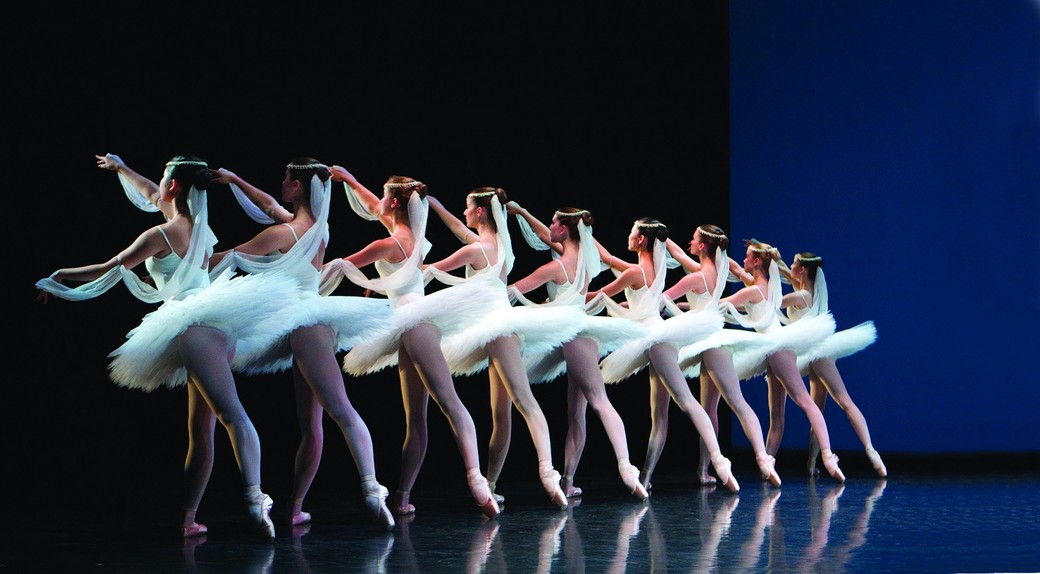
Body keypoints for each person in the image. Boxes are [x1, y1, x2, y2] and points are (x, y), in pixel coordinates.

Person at [36, 154, 296, 540]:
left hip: (195, 328)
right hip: (221, 325)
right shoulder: (200, 228)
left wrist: (59, 276)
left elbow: (109, 268)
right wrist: (121, 168)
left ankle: (256, 500)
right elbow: (151, 193)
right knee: (200, 429)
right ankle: (189, 518)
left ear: (173, 185)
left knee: (231, 416)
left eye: (163, 178)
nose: (157, 186)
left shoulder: (160, 234)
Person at [207, 159, 397, 530]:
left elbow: (229, 257)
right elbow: (268, 205)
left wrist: (185, 263)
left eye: (285, 178)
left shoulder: (283, 234)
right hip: (313, 322)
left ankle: (373, 489)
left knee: (339, 409)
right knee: (312, 424)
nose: (280, 183)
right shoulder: (317, 228)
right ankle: (295, 508)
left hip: (306, 325)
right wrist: (235, 179)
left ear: (297, 186)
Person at [320, 166, 501, 519]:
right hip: (411, 326)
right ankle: (403, 497)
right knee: (416, 418)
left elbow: (341, 266)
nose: (379, 200)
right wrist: (350, 180)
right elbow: (373, 207)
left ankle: (477, 481)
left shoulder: (390, 243)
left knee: (448, 403)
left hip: (416, 323)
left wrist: (303, 277)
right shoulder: (410, 234)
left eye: (384, 195)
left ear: (395, 203)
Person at [424, 187, 583, 509]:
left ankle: (548, 474)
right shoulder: (500, 245)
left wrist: (400, 269)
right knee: (502, 414)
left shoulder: (478, 249)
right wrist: (434, 204)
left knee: (524, 402)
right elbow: (458, 228)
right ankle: (493, 484)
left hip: (499, 332)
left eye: (468, 207)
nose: (464, 212)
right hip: (500, 332)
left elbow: (430, 269)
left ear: (481, 211)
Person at [595, 222, 778, 491]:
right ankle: (710, 468)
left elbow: (660, 299)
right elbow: (680, 257)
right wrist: (662, 237)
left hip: (705, 341)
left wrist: (634, 306)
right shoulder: (712, 272)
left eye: (693, 239)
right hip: (707, 339)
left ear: (702, 246)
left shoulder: (696, 277)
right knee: (717, 407)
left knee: (688, 408)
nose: (689, 243)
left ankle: (739, 462)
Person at [505, 203, 650, 501]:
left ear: (563, 229)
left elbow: (512, 291)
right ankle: (569, 481)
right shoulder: (585, 258)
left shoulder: (556, 267)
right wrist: (522, 213)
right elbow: (545, 235)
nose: (549, 228)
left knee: (598, 401)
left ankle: (627, 470)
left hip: (576, 336)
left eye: (553, 223)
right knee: (577, 412)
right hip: (583, 333)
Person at [718, 238, 846, 482]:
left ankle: (828, 456)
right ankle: (768, 463)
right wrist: (720, 252)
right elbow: (736, 271)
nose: (743, 260)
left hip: (778, 349)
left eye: (747, 257)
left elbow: (722, 303)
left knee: (804, 402)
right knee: (777, 416)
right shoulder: (761, 287)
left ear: (757, 262)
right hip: (773, 351)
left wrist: (678, 307)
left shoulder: (756, 289)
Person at [777, 251, 887, 477]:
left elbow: (772, 302)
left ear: (803, 270)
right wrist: (772, 257)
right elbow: (788, 274)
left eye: (794, 263)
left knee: (844, 401)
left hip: (818, 354)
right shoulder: (808, 290)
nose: (790, 266)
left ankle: (871, 452)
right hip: (815, 354)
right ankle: (811, 463)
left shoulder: (802, 295)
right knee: (818, 410)